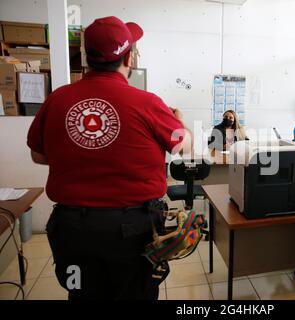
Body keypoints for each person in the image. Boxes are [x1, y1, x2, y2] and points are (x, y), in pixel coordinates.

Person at [27, 16, 191, 300]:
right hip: (131, 232)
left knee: (82, 294)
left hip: (72, 230)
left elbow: (38, 156)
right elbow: (183, 146)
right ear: (129, 57)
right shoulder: (147, 103)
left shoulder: (57, 100)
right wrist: (180, 123)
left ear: (88, 56)